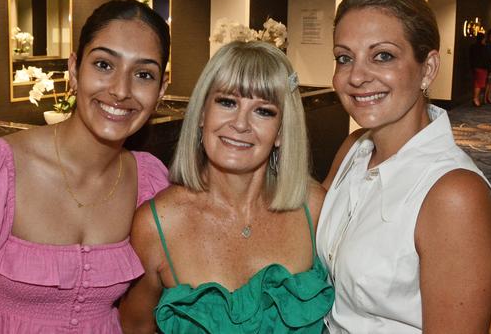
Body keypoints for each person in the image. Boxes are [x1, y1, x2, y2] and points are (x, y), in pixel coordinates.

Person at [0, 0, 171, 333]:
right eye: (104, 65)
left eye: (143, 74)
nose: (121, 90)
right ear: (73, 70)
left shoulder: (150, 184)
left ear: (161, 90)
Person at [317, 0, 491, 334]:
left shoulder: (453, 195)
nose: (356, 76)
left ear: (428, 68)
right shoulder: (354, 148)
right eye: (344, 58)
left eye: (383, 56)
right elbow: (303, 218)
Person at [119, 41, 335, 333]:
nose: (240, 124)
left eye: (264, 111)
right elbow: (135, 327)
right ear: (202, 114)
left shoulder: (314, 208)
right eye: (227, 102)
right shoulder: (157, 226)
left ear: (282, 131)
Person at [469, 32, 491, 107]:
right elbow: (487, 58)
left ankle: (476, 99)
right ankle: (476, 99)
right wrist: (489, 68)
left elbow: (471, 57)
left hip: (475, 67)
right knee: (478, 84)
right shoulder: (483, 48)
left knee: (476, 83)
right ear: (482, 39)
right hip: (482, 68)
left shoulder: (473, 46)